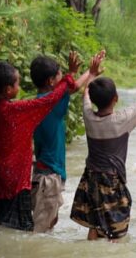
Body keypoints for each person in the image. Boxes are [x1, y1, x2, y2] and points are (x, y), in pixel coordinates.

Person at [0, 54, 85, 231]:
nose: (20, 86)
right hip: (16, 178)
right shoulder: (18, 111)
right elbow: (50, 99)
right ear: (9, 90)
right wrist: (69, 75)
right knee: (20, 227)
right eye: (17, 83)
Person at [70, 61, 136, 242]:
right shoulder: (122, 120)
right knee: (115, 228)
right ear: (116, 98)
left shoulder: (89, 117)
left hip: (90, 177)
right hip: (111, 180)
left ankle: (92, 256)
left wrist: (91, 74)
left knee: (95, 222)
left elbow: (86, 96)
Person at [28, 51, 105, 233]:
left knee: (49, 221)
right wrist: (90, 73)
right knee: (40, 230)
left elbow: (70, 87)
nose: (63, 77)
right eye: (60, 74)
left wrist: (90, 72)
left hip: (42, 173)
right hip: (49, 178)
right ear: (51, 81)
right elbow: (74, 87)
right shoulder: (52, 104)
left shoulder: (38, 102)